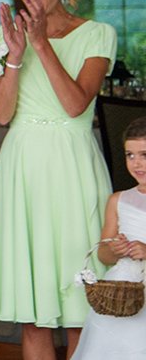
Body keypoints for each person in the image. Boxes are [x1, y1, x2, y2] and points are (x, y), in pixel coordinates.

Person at [0, 0, 118, 360]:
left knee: (78, 308)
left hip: (72, 164)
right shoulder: (3, 38)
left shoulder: (97, 33)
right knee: (31, 311)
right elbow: (1, 114)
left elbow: (76, 104)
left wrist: (39, 43)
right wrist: (15, 55)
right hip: (23, 165)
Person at [72, 116, 146, 359]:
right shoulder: (118, 200)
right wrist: (116, 250)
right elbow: (103, 254)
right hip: (123, 290)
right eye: (130, 155)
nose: (137, 163)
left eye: (144, 154)